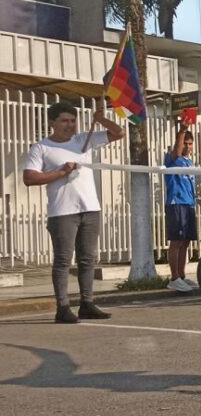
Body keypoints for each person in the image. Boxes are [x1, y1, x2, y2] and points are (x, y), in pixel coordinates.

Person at [23, 101, 125, 323]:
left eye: (73, 120)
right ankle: (62, 308)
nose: (70, 125)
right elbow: (29, 178)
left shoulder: (83, 140)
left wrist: (102, 119)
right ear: (52, 123)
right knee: (63, 260)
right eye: (64, 121)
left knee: (88, 258)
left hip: (90, 208)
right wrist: (61, 172)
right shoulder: (41, 148)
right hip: (62, 211)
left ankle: (87, 303)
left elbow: (119, 133)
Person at [164, 123, 198, 292]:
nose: (187, 146)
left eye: (190, 143)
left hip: (189, 204)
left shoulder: (189, 162)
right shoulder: (172, 159)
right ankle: (174, 277)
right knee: (176, 241)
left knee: (185, 241)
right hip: (176, 203)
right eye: (185, 142)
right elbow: (176, 152)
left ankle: (182, 276)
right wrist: (182, 131)